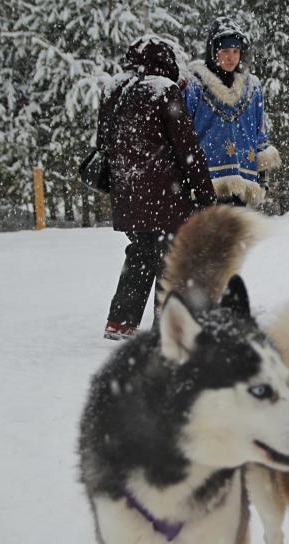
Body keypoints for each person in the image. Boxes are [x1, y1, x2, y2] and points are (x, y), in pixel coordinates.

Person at [98, 36, 216, 340]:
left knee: (139, 253)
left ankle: (121, 322)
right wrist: (205, 195)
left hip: (128, 195)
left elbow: (103, 143)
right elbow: (187, 150)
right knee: (171, 258)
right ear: (167, 62)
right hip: (166, 196)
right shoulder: (164, 91)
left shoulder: (113, 90)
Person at [183, 17, 280, 208]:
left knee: (235, 237)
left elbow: (258, 131)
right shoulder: (195, 85)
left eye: (236, 51)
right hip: (205, 180)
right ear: (213, 52)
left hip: (243, 178)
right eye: (225, 51)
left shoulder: (253, 87)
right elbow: (185, 131)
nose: (231, 57)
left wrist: (262, 175)